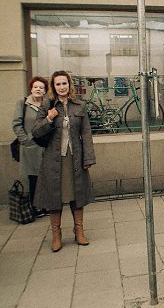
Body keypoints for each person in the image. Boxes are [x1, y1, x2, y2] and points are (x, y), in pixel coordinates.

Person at [32, 70, 96, 252]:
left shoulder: (79, 106)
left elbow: (86, 133)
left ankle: (79, 231)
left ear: (69, 84)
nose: (62, 87)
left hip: (74, 159)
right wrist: (48, 118)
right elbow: (35, 131)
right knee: (55, 197)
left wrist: (88, 157)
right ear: (53, 87)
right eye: (58, 84)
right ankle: (56, 235)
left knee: (77, 195)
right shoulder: (47, 106)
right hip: (53, 160)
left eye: (64, 83)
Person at [12, 76, 50, 218]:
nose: (38, 89)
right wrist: (25, 140)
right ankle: (35, 207)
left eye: (41, 87)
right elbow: (16, 124)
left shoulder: (47, 104)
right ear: (31, 89)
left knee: (46, 177)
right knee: (34, 178)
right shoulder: (23, 103)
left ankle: (45, 205)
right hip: (31, 147)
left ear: (45, 90)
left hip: (45, 147)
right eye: (35, 87)